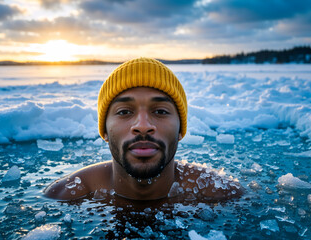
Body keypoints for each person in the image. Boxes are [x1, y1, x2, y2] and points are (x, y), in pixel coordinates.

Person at [44, 57, 243, 202]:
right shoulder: (66, 194)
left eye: (160, 111)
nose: (143, 126)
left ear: (181, 129)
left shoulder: (223, 194)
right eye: (124, 112)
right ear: (104, 130)